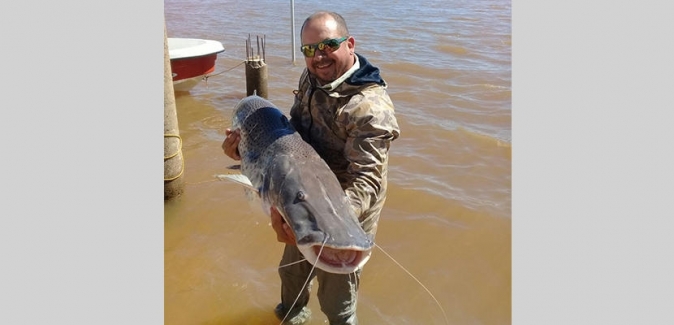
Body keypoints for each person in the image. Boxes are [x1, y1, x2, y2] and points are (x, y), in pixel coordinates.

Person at [222, 10, 400, 325]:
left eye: (328, 45)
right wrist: (245, 150)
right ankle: (292, 317)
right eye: (309, 49)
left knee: (337, 305)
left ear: (350, 44)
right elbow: (295, 132)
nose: (318, 56)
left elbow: (368, 183)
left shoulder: (370, 109)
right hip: (299, 195)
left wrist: (326, 222)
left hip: (345, 216)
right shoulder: (313, 75)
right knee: (290, 280)